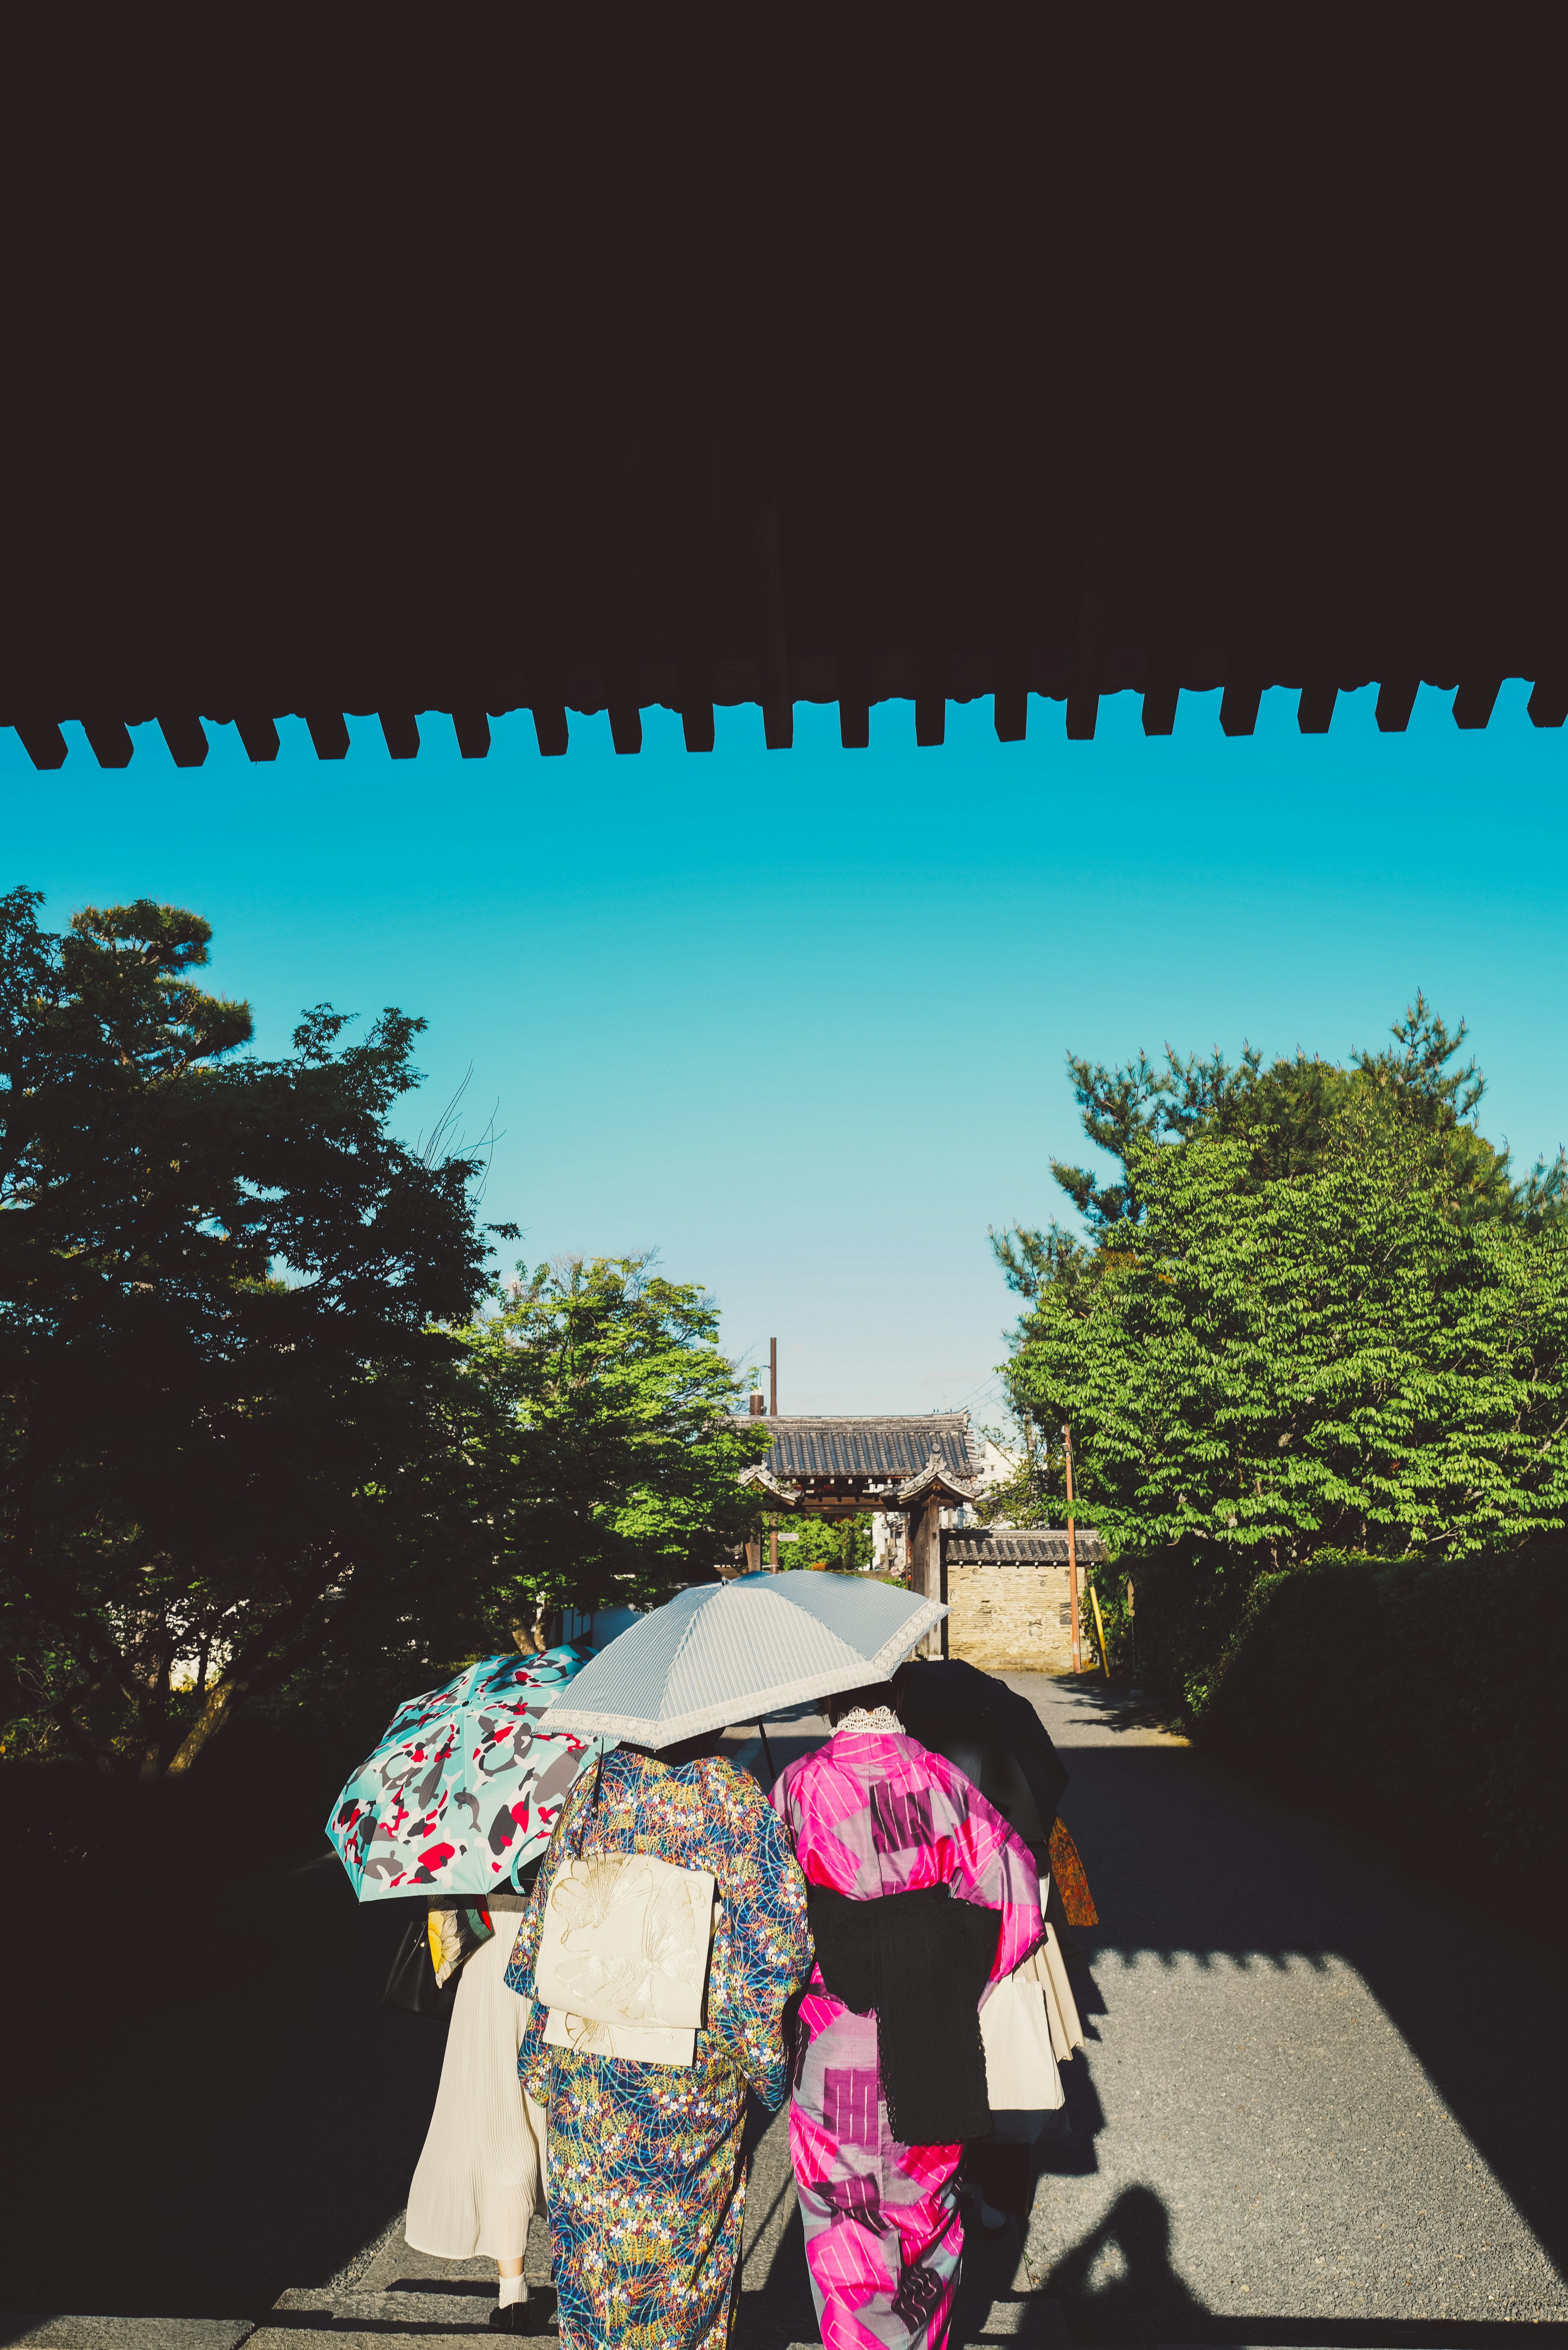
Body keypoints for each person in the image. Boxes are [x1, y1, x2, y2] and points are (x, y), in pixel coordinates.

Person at [504, 1731, 811, 2350]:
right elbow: (775, 1953)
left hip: (586, 2070)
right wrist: (765, 2072)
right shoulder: (733, 1799)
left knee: (592, 2259)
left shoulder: (591, 1786)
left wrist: (541, 2060)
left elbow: (543, 1932)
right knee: (676, 2268)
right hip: (684, 2081)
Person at [771, 1679, 1043, 2350]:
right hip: (934, 2032)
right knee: (927, 2220)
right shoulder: (944, 1779)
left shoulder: (800, 1785)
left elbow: (769, 1931)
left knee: (844, 2228)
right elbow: (1019, 1899)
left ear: (829, 1702)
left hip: (838, 2048)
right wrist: (957, 1977)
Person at [405, 1881, 548, 2332]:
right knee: (555, 2126)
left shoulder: (470, 1813)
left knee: (498, 2125)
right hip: (553, 1956)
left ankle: (513, 2293)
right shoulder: (564, 1810)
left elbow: (448, 1916)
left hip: (489, 1961)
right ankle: (585, 2276)